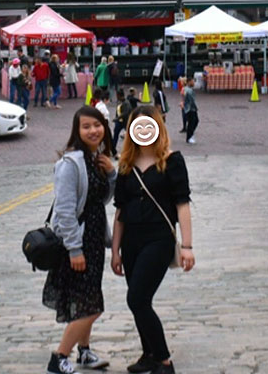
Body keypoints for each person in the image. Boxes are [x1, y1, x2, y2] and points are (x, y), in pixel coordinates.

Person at [111, 104, 194, 374]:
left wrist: (188, 246)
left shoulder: (172, 161)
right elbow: (120, 212)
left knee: (137, 299)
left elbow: (182, 205)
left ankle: (164, 360)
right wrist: (115, 251)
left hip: (158, 239)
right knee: (138, 299)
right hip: (131, 240)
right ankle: (148, 353)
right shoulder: (125, 165)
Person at [43, 106, 117, 374]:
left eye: (97, 125)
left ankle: (84, 352)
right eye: (86, 126)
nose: (93, 131)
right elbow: (64, 210)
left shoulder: (96, 159)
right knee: (90, 307)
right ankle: (59, 358)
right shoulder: (70, 164)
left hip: (95, 243)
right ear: (77, 131)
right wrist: (75, 249)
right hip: (79, 245)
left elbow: (104, 199)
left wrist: (110, 173)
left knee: (88, 299)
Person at [112, 88, 132, 158]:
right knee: (115, 135)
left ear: (119, 95)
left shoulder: (126, 103)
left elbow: (125, 113)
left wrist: (117, 118)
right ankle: (113, 148)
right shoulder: (120, 102)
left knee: (130, 135)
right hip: (119, 122)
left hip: (125, 121)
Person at [181, 78, 198, 144]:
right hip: (190, 108)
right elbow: (191, 101)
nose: (194, 83)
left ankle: (190, 135)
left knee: (194, 121)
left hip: (188, 108)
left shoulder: (186, 89)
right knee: (192, 122)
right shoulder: (189, 90)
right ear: (189, 82)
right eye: (192, 81)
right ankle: (189, 136)